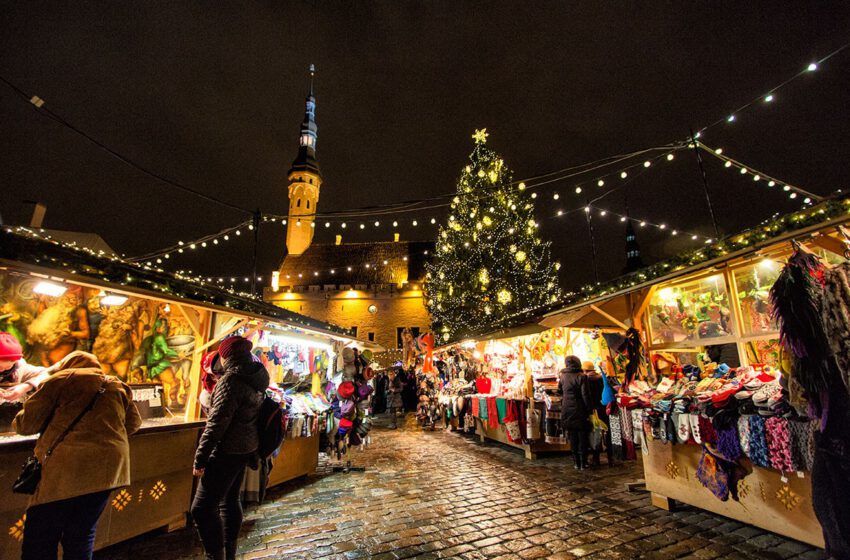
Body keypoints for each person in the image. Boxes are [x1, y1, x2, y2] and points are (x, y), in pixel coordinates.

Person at [13, 351, 142, 560]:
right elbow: (134, 424)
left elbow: (25, 425)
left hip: (64, 471)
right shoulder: (116, 385)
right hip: (108, 472)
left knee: (40, 538)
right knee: (81, 536)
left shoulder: (62, 380)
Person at [192, 336, 269, 560]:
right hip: (245, 447)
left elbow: (217, 423)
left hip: (228, 449)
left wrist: (201, 457)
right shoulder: (258, 375)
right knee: (229, 500)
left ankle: (217, 556)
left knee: (203, 508)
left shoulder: (231, 380)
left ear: (226, 356)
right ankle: (229, 554)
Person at [559, 355, 593, 470]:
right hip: (580, 409)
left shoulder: (563, 376)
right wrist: (590, 410)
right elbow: (585, 395)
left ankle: (576, 462)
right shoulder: (581, 376)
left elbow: (560, 391)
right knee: (582, 436)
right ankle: (583, 462)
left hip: (567, 409)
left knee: (573, 436)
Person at [0, 332, 54, 402]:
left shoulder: (20, 368)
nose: (2, 370)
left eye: (8, 367)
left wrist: (26, 386)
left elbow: (47, 373)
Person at [582, 360, 613, 467]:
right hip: (605, 408)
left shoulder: (586, 380)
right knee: (607, 432)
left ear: (584, 370)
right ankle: (610, 457)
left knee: (596, 433)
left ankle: (596, 458)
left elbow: (586, 396)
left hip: (594, 410)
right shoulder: (601, 378)